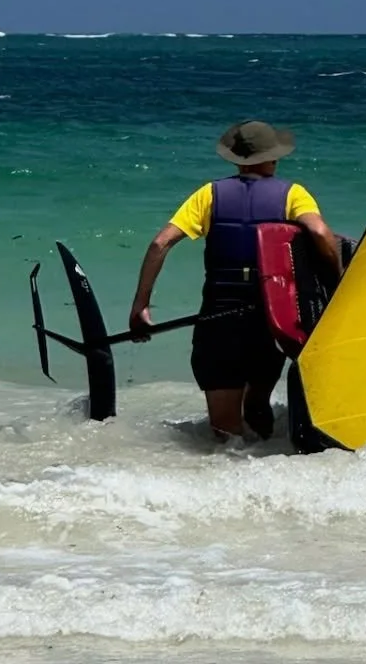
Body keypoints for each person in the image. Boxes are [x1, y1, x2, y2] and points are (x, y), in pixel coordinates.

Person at [128, 119, 340, 445]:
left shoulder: (208, 195)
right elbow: (321, 233)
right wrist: (336, 284)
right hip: (267, 322)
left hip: (219, 321)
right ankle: (270, 478)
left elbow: (160, 243)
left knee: (225, 435)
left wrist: (140, 305)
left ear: (237, 159)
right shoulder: (293, 194)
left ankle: (227, 482)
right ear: (273, 157)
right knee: (257, 404)